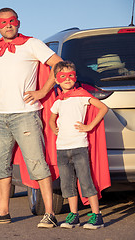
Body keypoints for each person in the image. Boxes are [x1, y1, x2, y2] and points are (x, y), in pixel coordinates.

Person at [0, 7, 62, 228]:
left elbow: (58, 64)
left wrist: (42, 92)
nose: (8, 25)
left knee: (36, 163)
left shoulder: (32, 44)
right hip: (0, 116)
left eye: (11, 21)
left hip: (25, 115)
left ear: (18, 22)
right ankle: (3, 212)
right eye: (2, 23)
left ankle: (49, 213)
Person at [49, 61, 109, 229]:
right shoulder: (59, 101)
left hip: (79, 146)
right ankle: (73, 216)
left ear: (75, 77)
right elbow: (51, 119)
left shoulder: (83, 95)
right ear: (57, 80)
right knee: (67, 184)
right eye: (63, 76)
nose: (67, 79)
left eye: (70, 75)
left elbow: (103, 108)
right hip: (61, 148)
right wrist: (54, 128)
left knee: (85, 181)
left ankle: (97, 216)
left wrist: (89, 126)